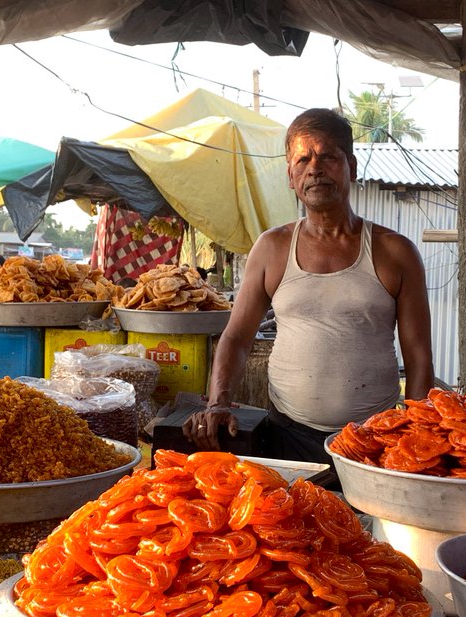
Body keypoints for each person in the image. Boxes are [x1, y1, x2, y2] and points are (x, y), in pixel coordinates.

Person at [183, 108, 434, 484]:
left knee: (370, 539)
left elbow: (418, 357)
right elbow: (236, 337)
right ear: (291, 176)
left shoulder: (394, 251)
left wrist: (416, 434)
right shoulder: (272, 248)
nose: (314, 168)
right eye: (303, 159)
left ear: (350, 165)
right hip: (287, 436)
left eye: (327, 156)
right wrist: (219, 402)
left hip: (374, 441)